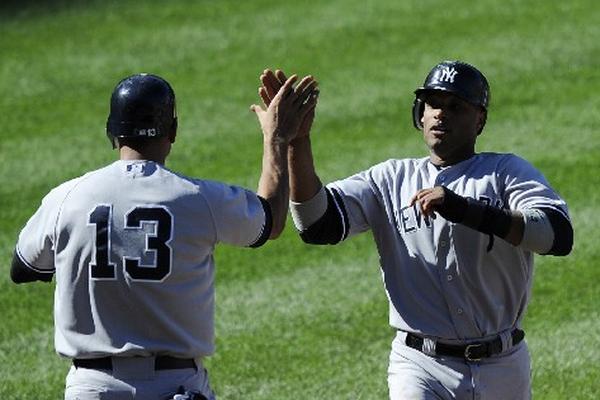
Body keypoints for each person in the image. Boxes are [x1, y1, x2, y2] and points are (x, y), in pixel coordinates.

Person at [257, 61, 573, 399]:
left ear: (479, 119)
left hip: (503, 367)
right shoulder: (389, 180)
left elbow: (557, 235)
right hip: (420, 366)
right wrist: (296, 143)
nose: (441, 114)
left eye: (456, 106)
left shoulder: (507, 172)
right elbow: (318, 225)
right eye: (433, 104)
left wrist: (464, 210)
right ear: (419, 114)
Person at [10, 72, 318, 399]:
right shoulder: (198, 199)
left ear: (111, 132)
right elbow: (270, 220)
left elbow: (24, 268)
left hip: (92, 388)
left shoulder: (66, 198)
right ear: (173, 131)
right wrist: (278, 138)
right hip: (173, 386)